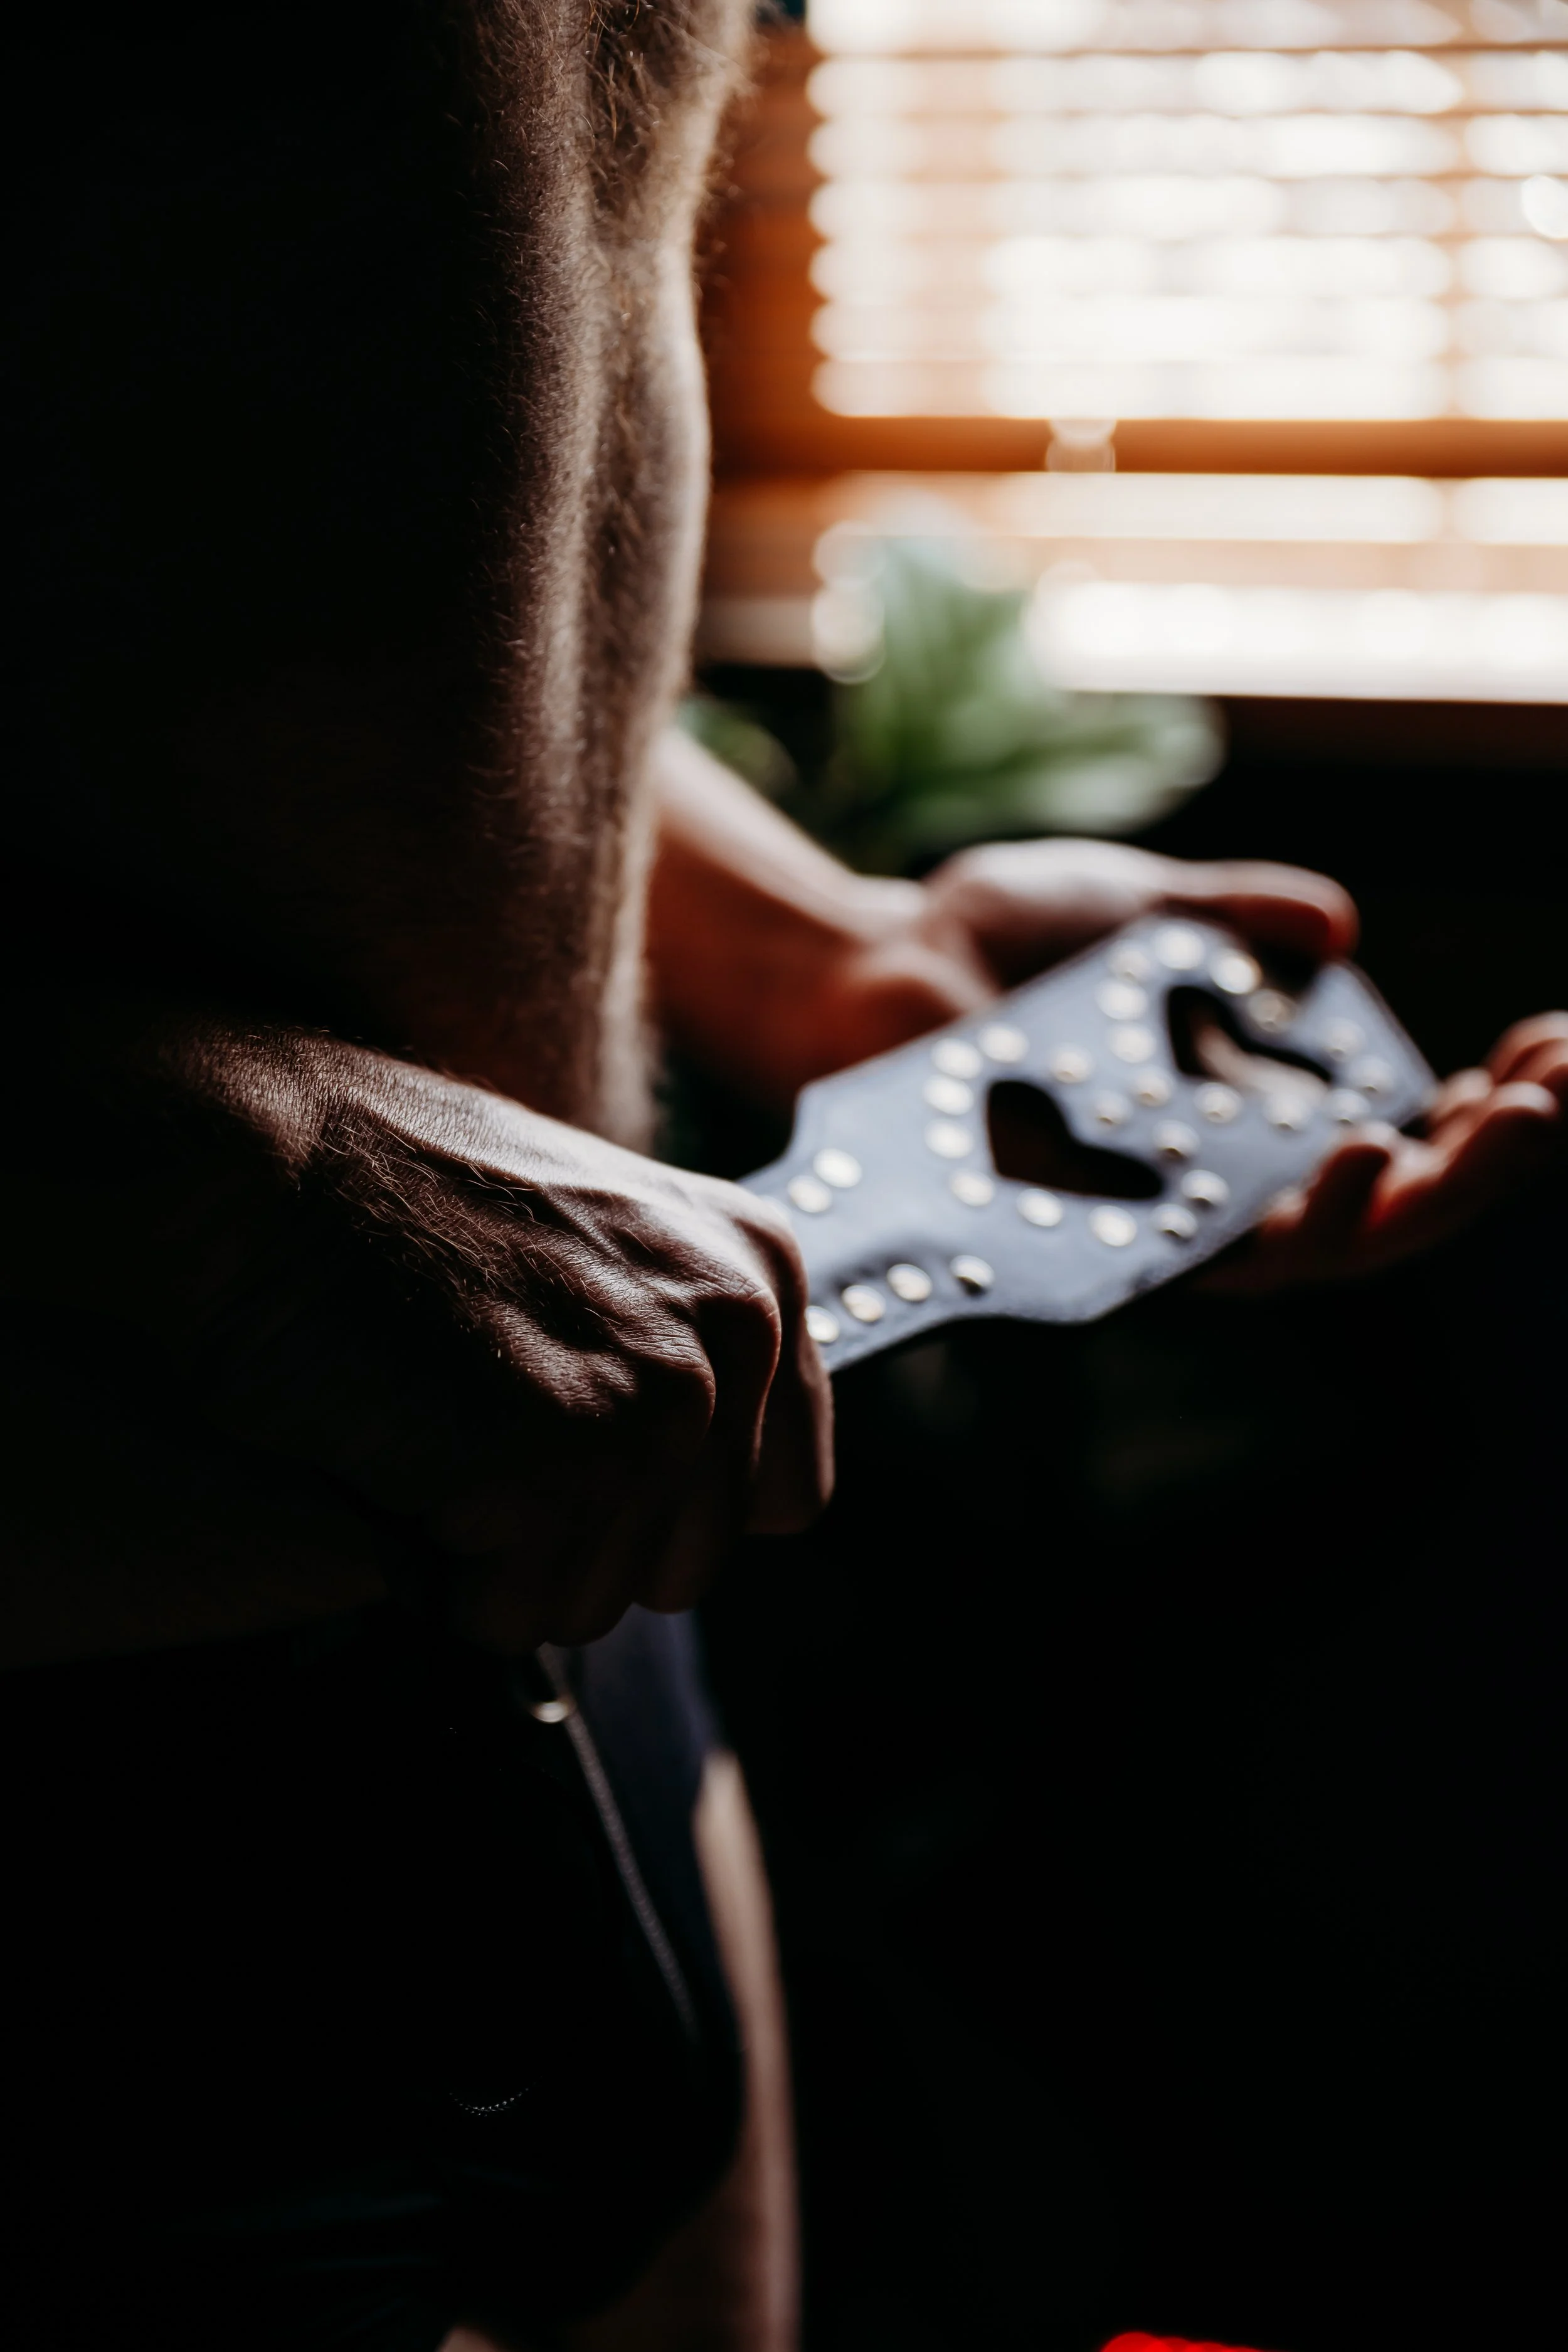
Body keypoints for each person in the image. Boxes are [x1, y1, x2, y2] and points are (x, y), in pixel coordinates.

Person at [2, 5, 1564, 2348]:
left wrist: (810, 942)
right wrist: (239, 1166)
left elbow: (322, 435)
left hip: (582, 1550)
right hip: (94, 1746)